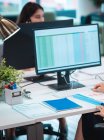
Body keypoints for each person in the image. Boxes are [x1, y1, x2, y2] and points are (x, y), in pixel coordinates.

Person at [5, 2, 67, 140]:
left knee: (57, 91)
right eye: (37, 17)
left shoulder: (45, 35)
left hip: (42, 78)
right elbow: (15, 66)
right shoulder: (14, 37)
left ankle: (62, 126)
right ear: (28, 19)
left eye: (43, 16)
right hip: (21, 81)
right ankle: (11, 132)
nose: (42, 20)